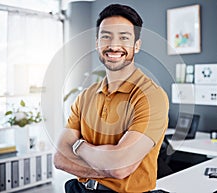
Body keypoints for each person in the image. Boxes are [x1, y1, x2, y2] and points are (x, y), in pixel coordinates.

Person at [54, 3, 169, 193]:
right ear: (97, 43)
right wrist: (109, 163)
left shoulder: (151, 96)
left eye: (124, 37)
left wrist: (79, 145)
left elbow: (120, 167)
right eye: (106, 36)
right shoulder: (85, 96)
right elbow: (59, 158)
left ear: (136, 45)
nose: (114, 46)